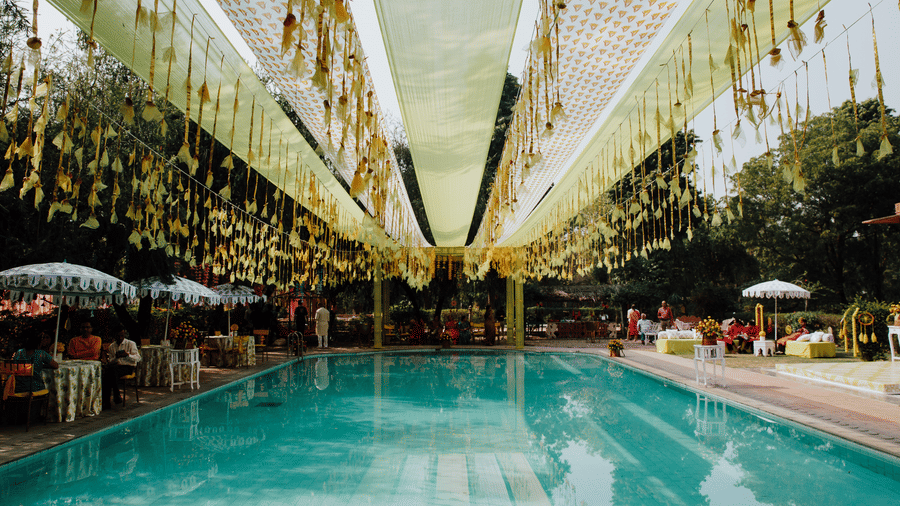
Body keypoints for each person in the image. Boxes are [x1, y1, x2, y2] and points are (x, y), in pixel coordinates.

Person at [102, 325, 141, 409]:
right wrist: (116, 358)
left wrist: (127, 355)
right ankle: (114, 397)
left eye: (122, 335)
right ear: (114, 336)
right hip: (116, 367)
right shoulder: (112, 346)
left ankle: (108, 400)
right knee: (108, 373)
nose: (120, 337)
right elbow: (111, 361)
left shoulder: (130, 344)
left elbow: (138, 358)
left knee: (109, 373)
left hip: (128, 367)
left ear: (124, 335)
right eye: (117, 336)